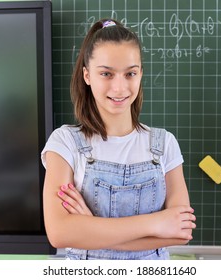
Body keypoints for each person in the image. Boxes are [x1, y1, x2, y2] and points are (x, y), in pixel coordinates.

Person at [41, 18, 196, 260]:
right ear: (87, 75)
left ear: (140, 73)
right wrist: (156, 222)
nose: (119, 87)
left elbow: (182, 232)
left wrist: (90, 228)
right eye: (106, 74)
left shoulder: (165, 144)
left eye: (130, 73)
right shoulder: (64, 143)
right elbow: (60, 233)